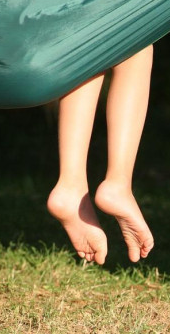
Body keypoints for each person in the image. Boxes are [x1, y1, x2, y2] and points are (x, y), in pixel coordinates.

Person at [47, 45, 155, 265]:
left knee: (90, 42)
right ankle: (118, 182)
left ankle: (71, 185)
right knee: (138, 40)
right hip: (16, 61)